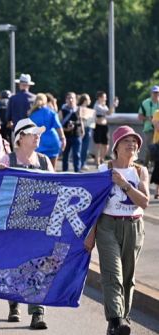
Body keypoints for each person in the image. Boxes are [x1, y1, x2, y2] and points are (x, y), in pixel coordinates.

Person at [85, 126, 148, 335]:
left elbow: (144, 201)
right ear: (116, 146)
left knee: (128, 277)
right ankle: (116, 318)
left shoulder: (140, 171)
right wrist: (91, 234)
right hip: (107, 225)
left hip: (133, 225)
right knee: (113, 274)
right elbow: (95, 205)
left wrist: (124, 185)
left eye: (134, 141)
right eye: (126, 141)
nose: (131, 144)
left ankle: (120, 321)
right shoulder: (104, 169)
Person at [0, 118, 52, 330]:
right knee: (13, 266)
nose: (37, 136)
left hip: (38, 225)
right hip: (12, 224)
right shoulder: (6, 159)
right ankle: (14, 303)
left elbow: (57, 189)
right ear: (20, 138)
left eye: (38, 133)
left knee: (38, 268)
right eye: (33, 133)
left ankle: (37, 312)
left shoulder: (44, 161)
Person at [29, 93, 66, 168]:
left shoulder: (32, 114)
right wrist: (63, 138)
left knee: (39, 169)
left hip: (38, 142)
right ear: (45, 101)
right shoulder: (52, 112)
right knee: (52, 169)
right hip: (53, 141)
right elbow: (58, 126)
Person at [7, 73, 36, 139]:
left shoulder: (13, 98)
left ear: (20, 84)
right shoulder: (34, 98)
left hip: (17, 129)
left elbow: (8, 117)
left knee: (17, 148)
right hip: (31, 129)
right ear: (29, 85)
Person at [60, 92, 84, 172]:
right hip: (66, 136)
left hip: (77, 135)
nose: (70, 100)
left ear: (75, 100)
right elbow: (58, 126)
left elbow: (80, 120)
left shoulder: (78, 109)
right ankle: (64, 172)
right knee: (65, 155)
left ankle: (77, 171)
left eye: (72, 98)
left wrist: (82, 130)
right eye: (68, 98)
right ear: (66, 100)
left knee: (77, 155)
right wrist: (66, 129)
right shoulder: (62, 111)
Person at [138, 85, 159, 164]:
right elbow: (139, 117)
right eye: (154, 93)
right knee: (149, 148)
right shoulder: (145, 103)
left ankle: (155, 166)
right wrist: (149, 119)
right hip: (149, 129)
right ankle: (146, 165)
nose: (156, 95)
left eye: (157, 93)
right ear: (151, 93)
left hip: (158, 130)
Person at [94, 91, 112, 166]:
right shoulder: (97, 105)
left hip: (104, 126)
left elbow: (109, 113)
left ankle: (102, 158)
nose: (106, 99)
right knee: (98, 144)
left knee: (106, 144)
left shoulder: (104, 105)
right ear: (100, 98)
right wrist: (113, 105)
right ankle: (97, 161)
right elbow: (108, 112)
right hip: (98, 126)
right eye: (104, 97)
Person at [79, 93, 95, 170]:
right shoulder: (79, 108)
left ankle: (83, 163)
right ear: (85, 100)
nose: (90, 101)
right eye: (88, 99)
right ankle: (80, 163)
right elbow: (80, 119)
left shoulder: (89, 110)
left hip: (89, 128)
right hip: (82, 129)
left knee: (85, 148)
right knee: (80, 147)